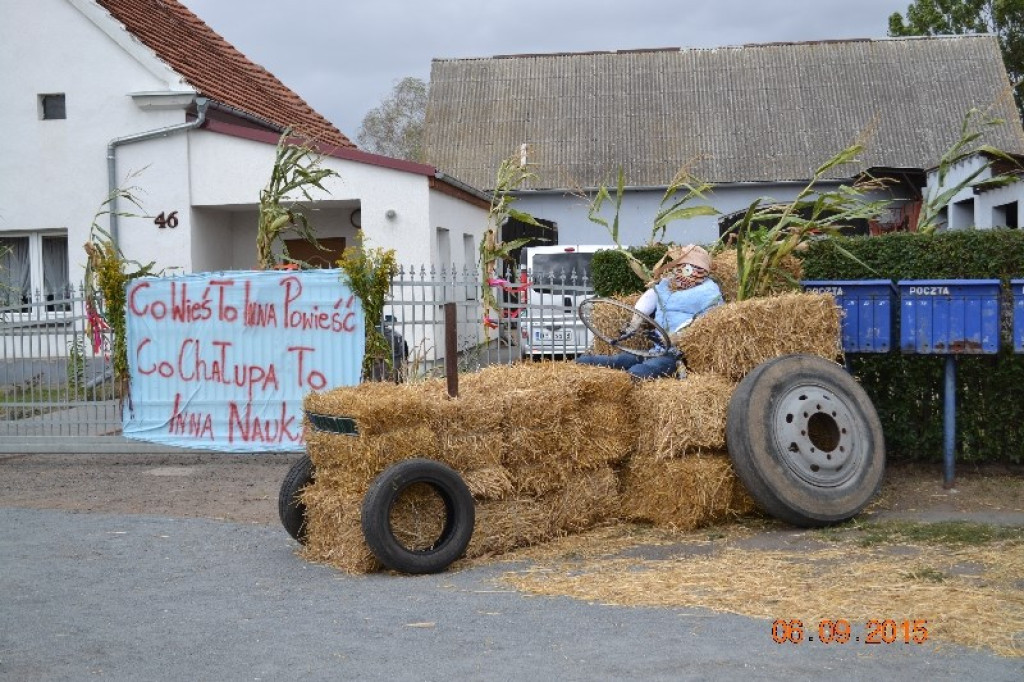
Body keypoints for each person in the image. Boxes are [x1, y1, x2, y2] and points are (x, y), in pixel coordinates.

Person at [576, 244, 723, 379]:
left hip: (677, 357)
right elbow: (648, 300)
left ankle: (627, 381)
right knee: (609, 361)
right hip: (655, 350)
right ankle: (580, 364)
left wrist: (678, 338)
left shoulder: (709, 294)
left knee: (639, 372)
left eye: (687, 269)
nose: (680, 273)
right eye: (679, 267)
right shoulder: (666, 285)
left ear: (700, 271)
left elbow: (708, 325)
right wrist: (634, 324)